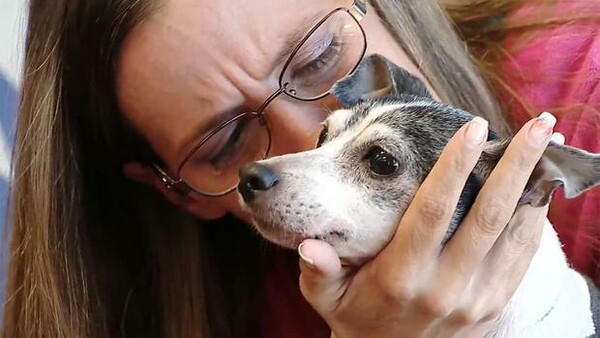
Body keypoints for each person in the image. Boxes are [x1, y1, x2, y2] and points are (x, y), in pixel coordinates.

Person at [1, 0, 598, 337]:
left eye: (323, 57)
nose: (297, 145)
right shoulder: (208, 312)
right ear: (180, 193)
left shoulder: (586, 87)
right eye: (224, 141)